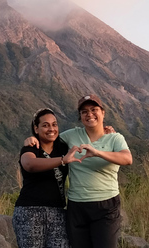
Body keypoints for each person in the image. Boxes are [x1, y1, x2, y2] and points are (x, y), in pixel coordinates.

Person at [24, 94, 133, 248]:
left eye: (94, 109)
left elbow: (127, 159)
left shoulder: (115, 138)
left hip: (106, 206)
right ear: (80, 116)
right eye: (84, 111)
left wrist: (98, 152)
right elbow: (49, 137)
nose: (89, 114)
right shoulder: (71, 135)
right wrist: (31, 139)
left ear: (103, 113)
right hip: (77, 207)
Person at [12, 108, 82, 248]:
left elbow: (87, 140)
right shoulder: (31, 147)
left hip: (58, 212)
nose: (51, 129)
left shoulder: (63, 147)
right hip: (30, 212)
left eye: (54, 124)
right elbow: (29, 164)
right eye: (45, 125)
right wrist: (62, 160)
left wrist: (105, 133)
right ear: (36, 129)